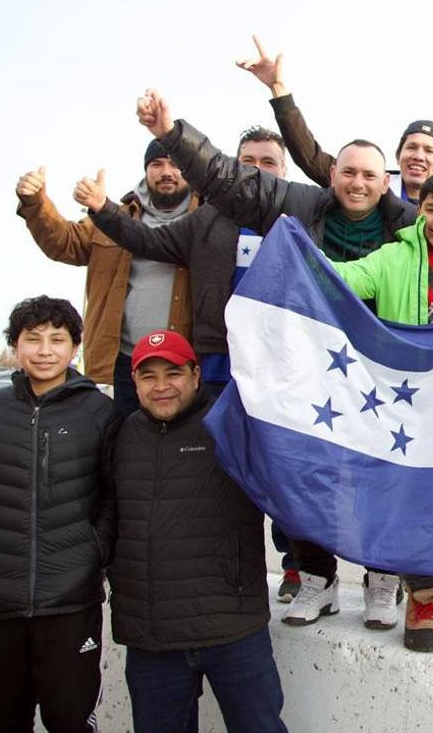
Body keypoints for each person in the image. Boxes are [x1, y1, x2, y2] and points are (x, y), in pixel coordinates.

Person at [133, 88, 413, 631]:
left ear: (386, 183)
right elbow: (221, 175)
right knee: (301, 471)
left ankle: (383, 578)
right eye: (348, 171)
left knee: (377, 475)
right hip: (304, 369)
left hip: (374, 378)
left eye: (370, 176)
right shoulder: (299, 204)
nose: (358, 183)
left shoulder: (407, 225)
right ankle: (316, 577)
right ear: (332, 176)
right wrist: (172, 134)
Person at [73, 125, 303, 602]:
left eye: (267, 163)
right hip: (219, 365)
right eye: (247, 161)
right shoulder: (207, 219)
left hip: (286, 368)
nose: (256, 171)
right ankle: (220, 566)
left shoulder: (302, 216)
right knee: (217, 476)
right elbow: (146, 240)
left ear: (284, 172)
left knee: (286, 470)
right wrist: (102, 209)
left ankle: (299, 566)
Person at [0, 296, 118, 732]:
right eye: (33, 339)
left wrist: (96, 550)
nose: (45, 350)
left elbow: (114, 497)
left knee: (69, 721)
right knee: (6, 720)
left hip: (70, 606)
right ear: (16, 346)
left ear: (75, 348)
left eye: (58, 339)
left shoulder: (100, 414)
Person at [327, 172, 433, 654]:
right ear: (418, 210)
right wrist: (296, 252)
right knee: (417, 502)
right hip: (412, 406)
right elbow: (345, 280)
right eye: (431, 209)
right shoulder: (392, 257)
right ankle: (422, 599)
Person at [109, 330, 288, 733]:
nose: (161, 387)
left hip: (233, 630)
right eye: (148, 376)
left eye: (172, 373)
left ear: (194, 374)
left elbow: (294, 488)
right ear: (134, 382)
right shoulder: (120, 436)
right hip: (152, 640)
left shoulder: (234, 428)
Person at [17, 145, 197, 420]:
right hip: (121, 363)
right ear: (146, 170)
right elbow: (64, 242)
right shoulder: (113, 217)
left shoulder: (208, 219)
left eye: (176, 165)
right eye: (157, 165)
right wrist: (36, 203)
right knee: (119, 448)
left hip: (183, 363)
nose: (167, 173)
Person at [235, 34, 433, 204]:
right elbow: (310, 157)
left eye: (429, 150)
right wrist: (278, 89)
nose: (418, 156)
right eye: (411, 147)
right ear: (398, 155)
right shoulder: (366, 180)